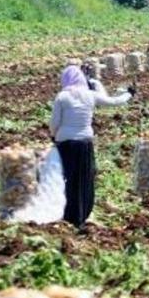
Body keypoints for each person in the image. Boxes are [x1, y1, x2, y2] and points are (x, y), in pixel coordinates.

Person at [50, 66, 133, 228]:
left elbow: (54, 122)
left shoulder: (62, 97)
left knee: (67, 177)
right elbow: (112, 101)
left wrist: (54, 136)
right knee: (84, 178)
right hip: (84, 143)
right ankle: (82, 214)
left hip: (65, 143)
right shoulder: (90, 95)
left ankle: (66, 212)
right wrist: (129, 94)